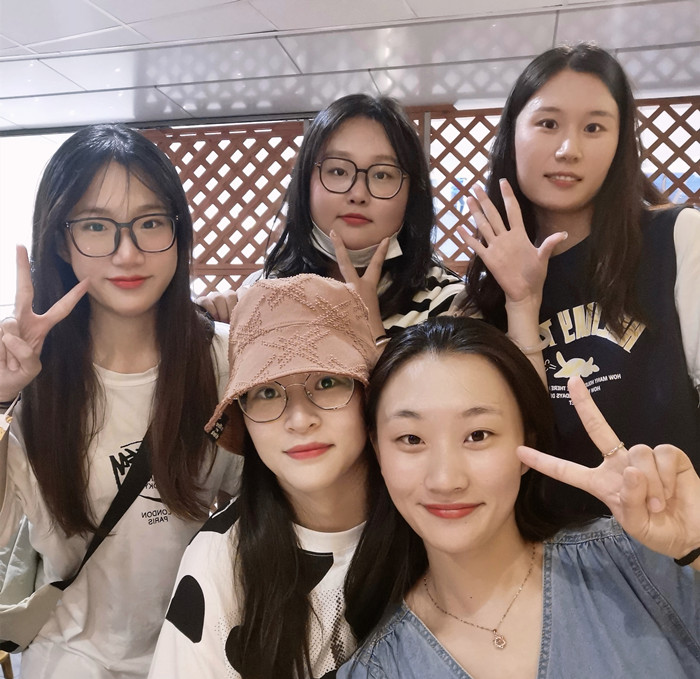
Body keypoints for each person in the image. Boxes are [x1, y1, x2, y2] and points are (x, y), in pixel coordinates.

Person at [0, 124, 241, 678]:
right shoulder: (29, 378)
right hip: (69, 661)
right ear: (61, 241)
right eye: (96, 226)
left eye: (150, 223)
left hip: (197, 658)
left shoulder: (227, 362)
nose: (127, 253)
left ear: (178, 232)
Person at [338, 316, 700, 679]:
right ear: (378, 451)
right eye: (411, 439)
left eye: (478, 435)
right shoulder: (377, 670)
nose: (445, 480)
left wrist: (695, 544)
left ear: (527, 442)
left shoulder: (640, 561)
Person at [458, 44, 700, 514]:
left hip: (671, 538)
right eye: (548, 123)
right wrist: (521, 302)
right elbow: (516, 443)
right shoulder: (481, 295)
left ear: (620, 143)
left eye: (594, 127)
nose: (569, 150)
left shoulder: (677, 239)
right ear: (512, 134)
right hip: (541, 545)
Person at [148, 274, 384, 679]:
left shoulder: (426, 518)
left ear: (369, 394)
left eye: (327, 382)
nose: (300, 419)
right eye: (268, 392)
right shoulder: (222, 559)